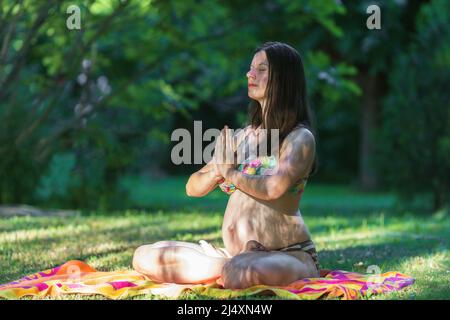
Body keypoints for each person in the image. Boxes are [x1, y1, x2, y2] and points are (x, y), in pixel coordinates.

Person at [132, 42, 319, 289]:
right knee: (144, 255)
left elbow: (273, 188)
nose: (250, 74)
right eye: (251, 68)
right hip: (234, 255)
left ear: (284, 79)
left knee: (241, 272)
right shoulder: (243, 137)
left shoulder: (299, 138)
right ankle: (227, 266)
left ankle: (225, 268)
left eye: (261, 69)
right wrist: (218, 170)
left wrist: (230, 171)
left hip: (287, 254)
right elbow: (193, 187)